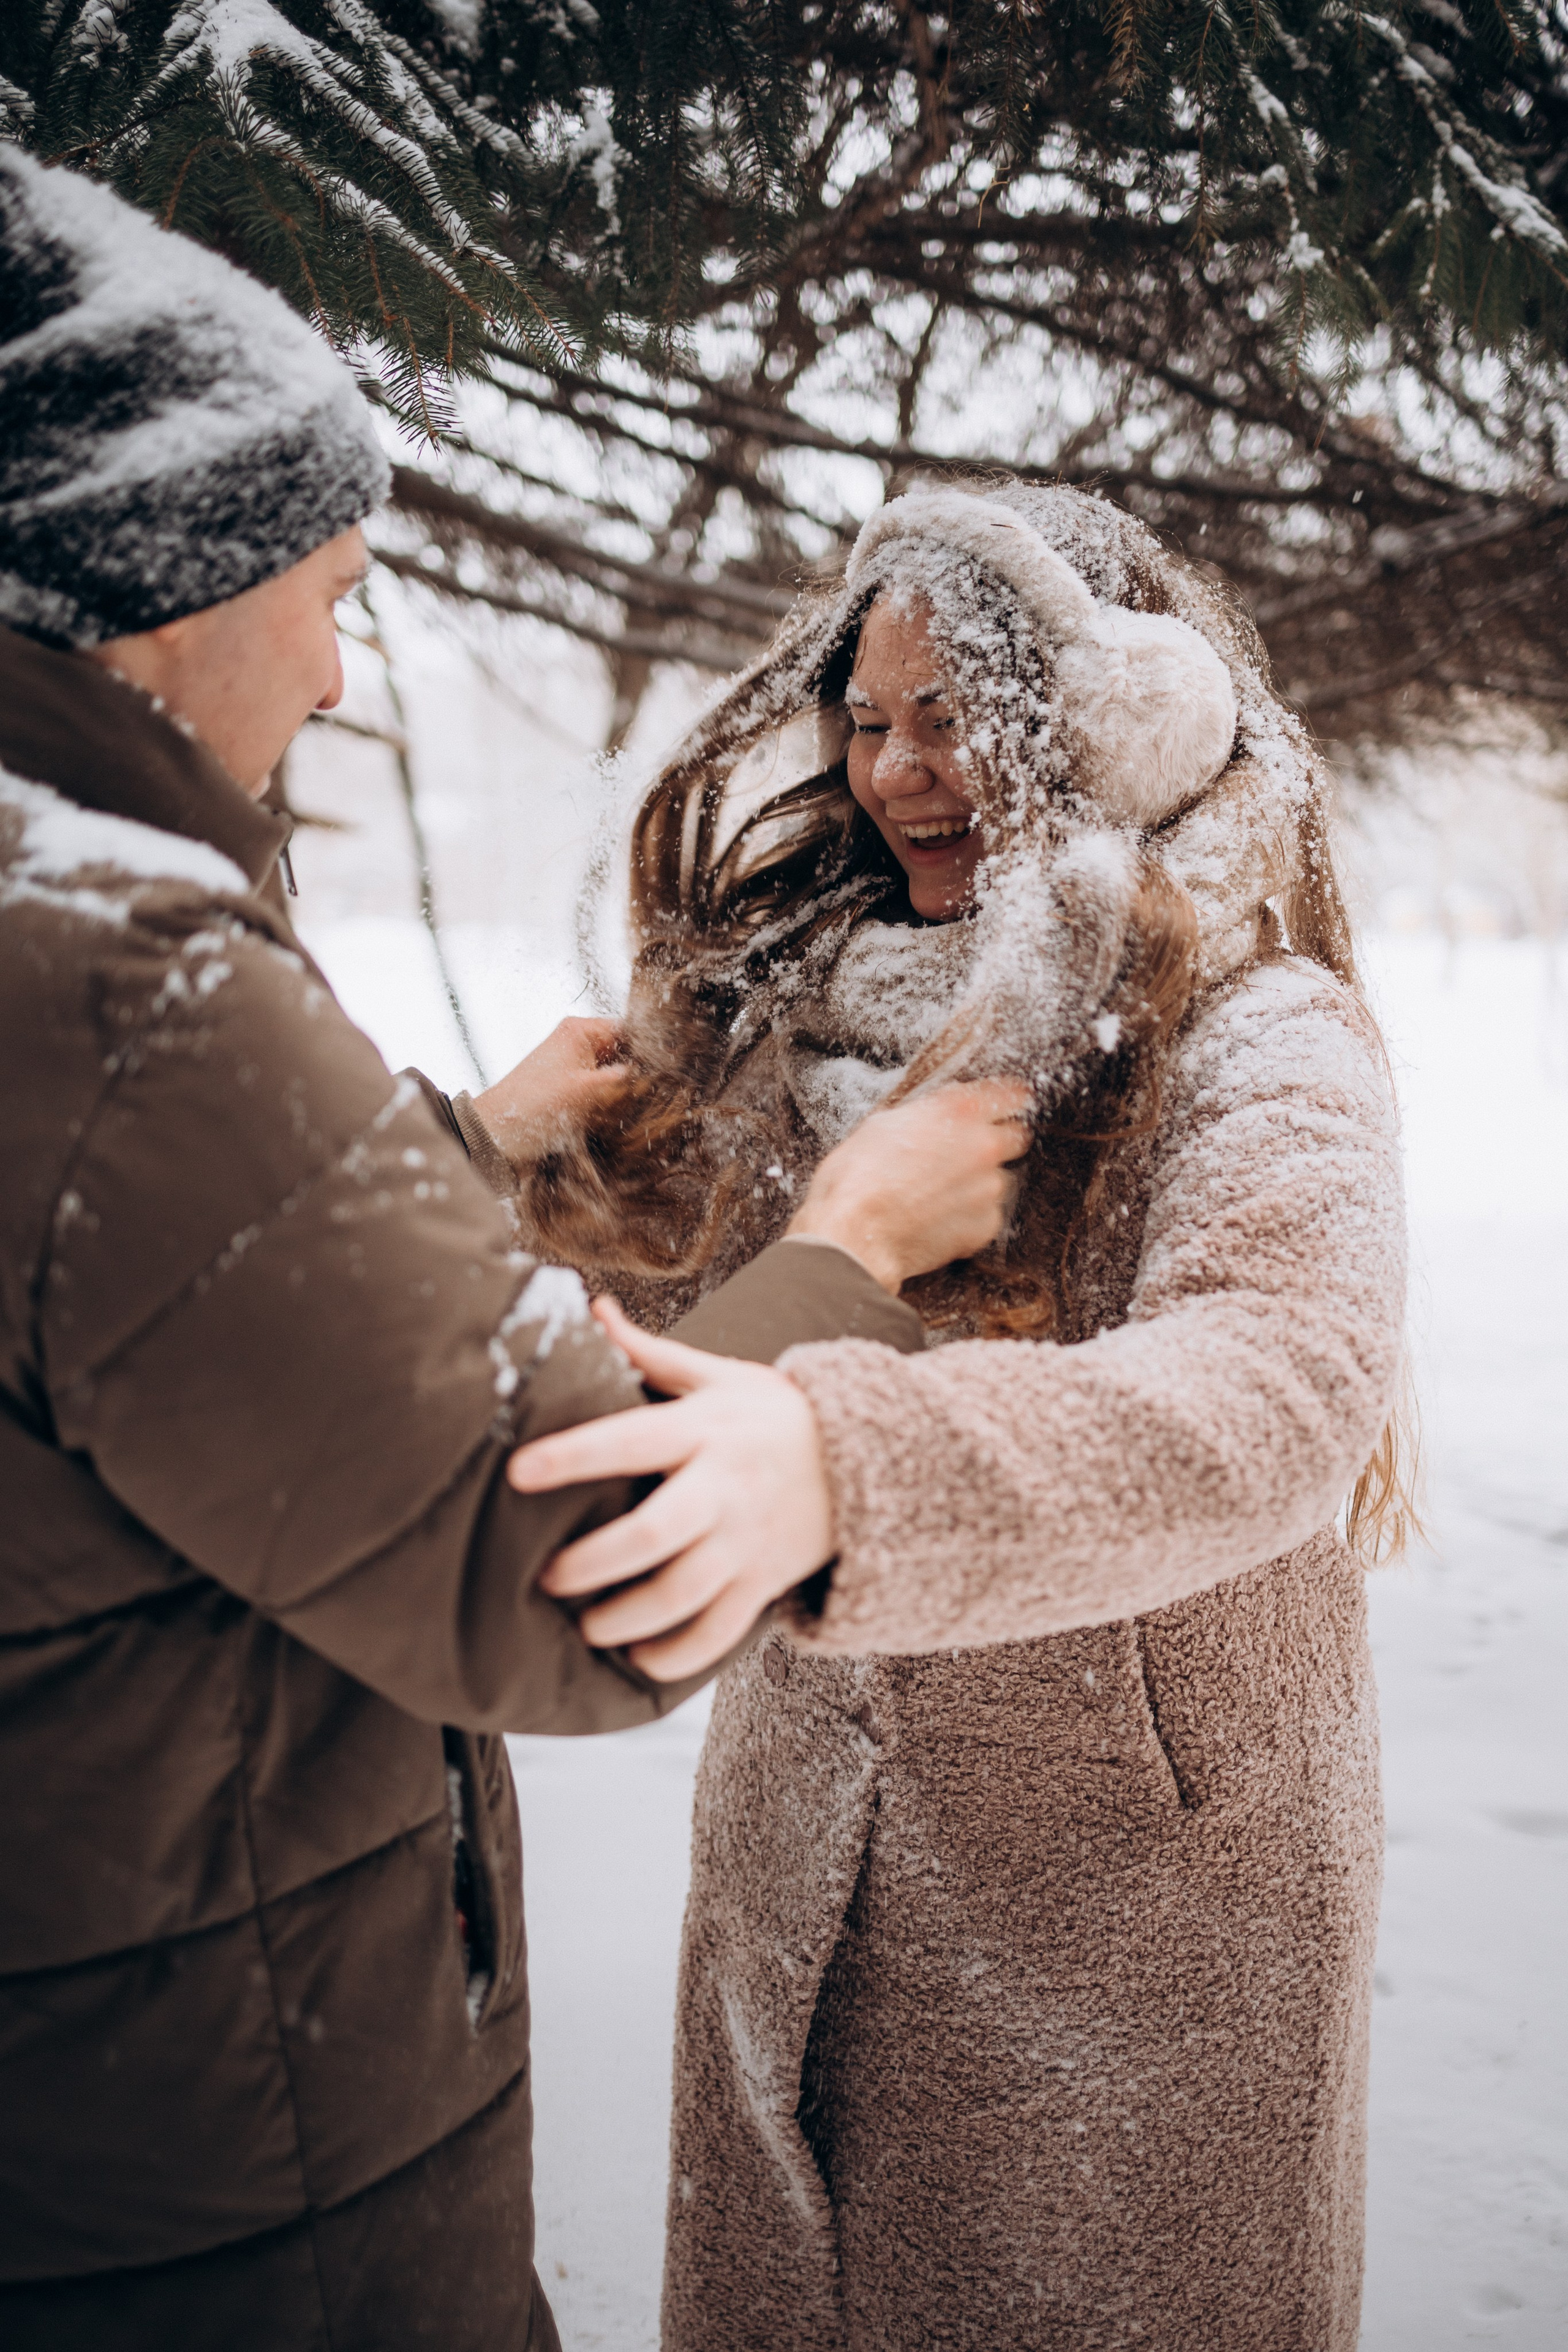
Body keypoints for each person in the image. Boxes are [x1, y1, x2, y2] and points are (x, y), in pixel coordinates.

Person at [0, 154, 1028, 2352]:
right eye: (329, 589)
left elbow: (140, 1318)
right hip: (215, 2200)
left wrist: (458, 1149)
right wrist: (852, 1241)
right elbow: (556, 1560)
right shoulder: (112, 981)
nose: (339, 671)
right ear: (166, 583)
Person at [497, 480, 1409, 2350]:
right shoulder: (799, 1010)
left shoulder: (1260, 1028)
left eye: (956, 716)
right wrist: (536, 1183)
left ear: (1115, 721)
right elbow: (662, 1328)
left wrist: (854, 1471)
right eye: (868, 720)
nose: (903, 771)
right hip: (804, 1832)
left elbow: (1281, 1381)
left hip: (1136, 1881)